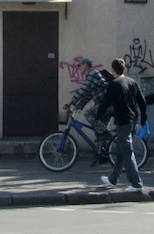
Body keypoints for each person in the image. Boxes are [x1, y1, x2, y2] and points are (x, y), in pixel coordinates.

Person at [94, 58, 147, 193]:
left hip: (123, 121)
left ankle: (136, 183)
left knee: (127, 151)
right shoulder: (132, 82)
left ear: (113, 70)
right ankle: (113, 179)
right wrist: (143, 118)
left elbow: (105, 102)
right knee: (121, 151)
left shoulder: (114, 84)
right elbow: (142, 101)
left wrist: (98, 116)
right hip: (133, 120)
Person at [63, 57, 112, 138]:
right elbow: (88, 95)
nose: (78, 68)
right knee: (99, 132)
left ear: (85, 65)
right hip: (106, 105)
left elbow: (83, 90)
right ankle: (102, 149)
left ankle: (106, 134)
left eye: (80, 65)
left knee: (88, 114)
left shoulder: (93, 74)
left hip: (107, 105)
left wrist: (71, 102)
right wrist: (78, 106)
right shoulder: (92, 76)